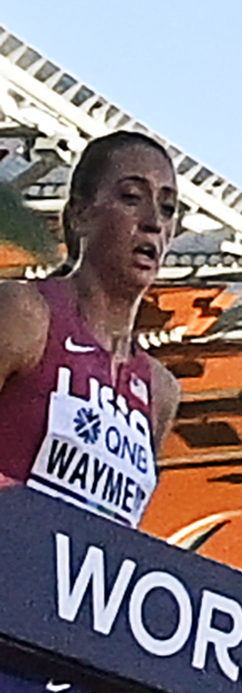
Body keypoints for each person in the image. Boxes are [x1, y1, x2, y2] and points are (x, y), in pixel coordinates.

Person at [0, 131, 181, 528]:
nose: (153, 223)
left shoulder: (160, 391)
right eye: (132, 198)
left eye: (168, 209)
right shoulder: (25, 315)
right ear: (81, 214)